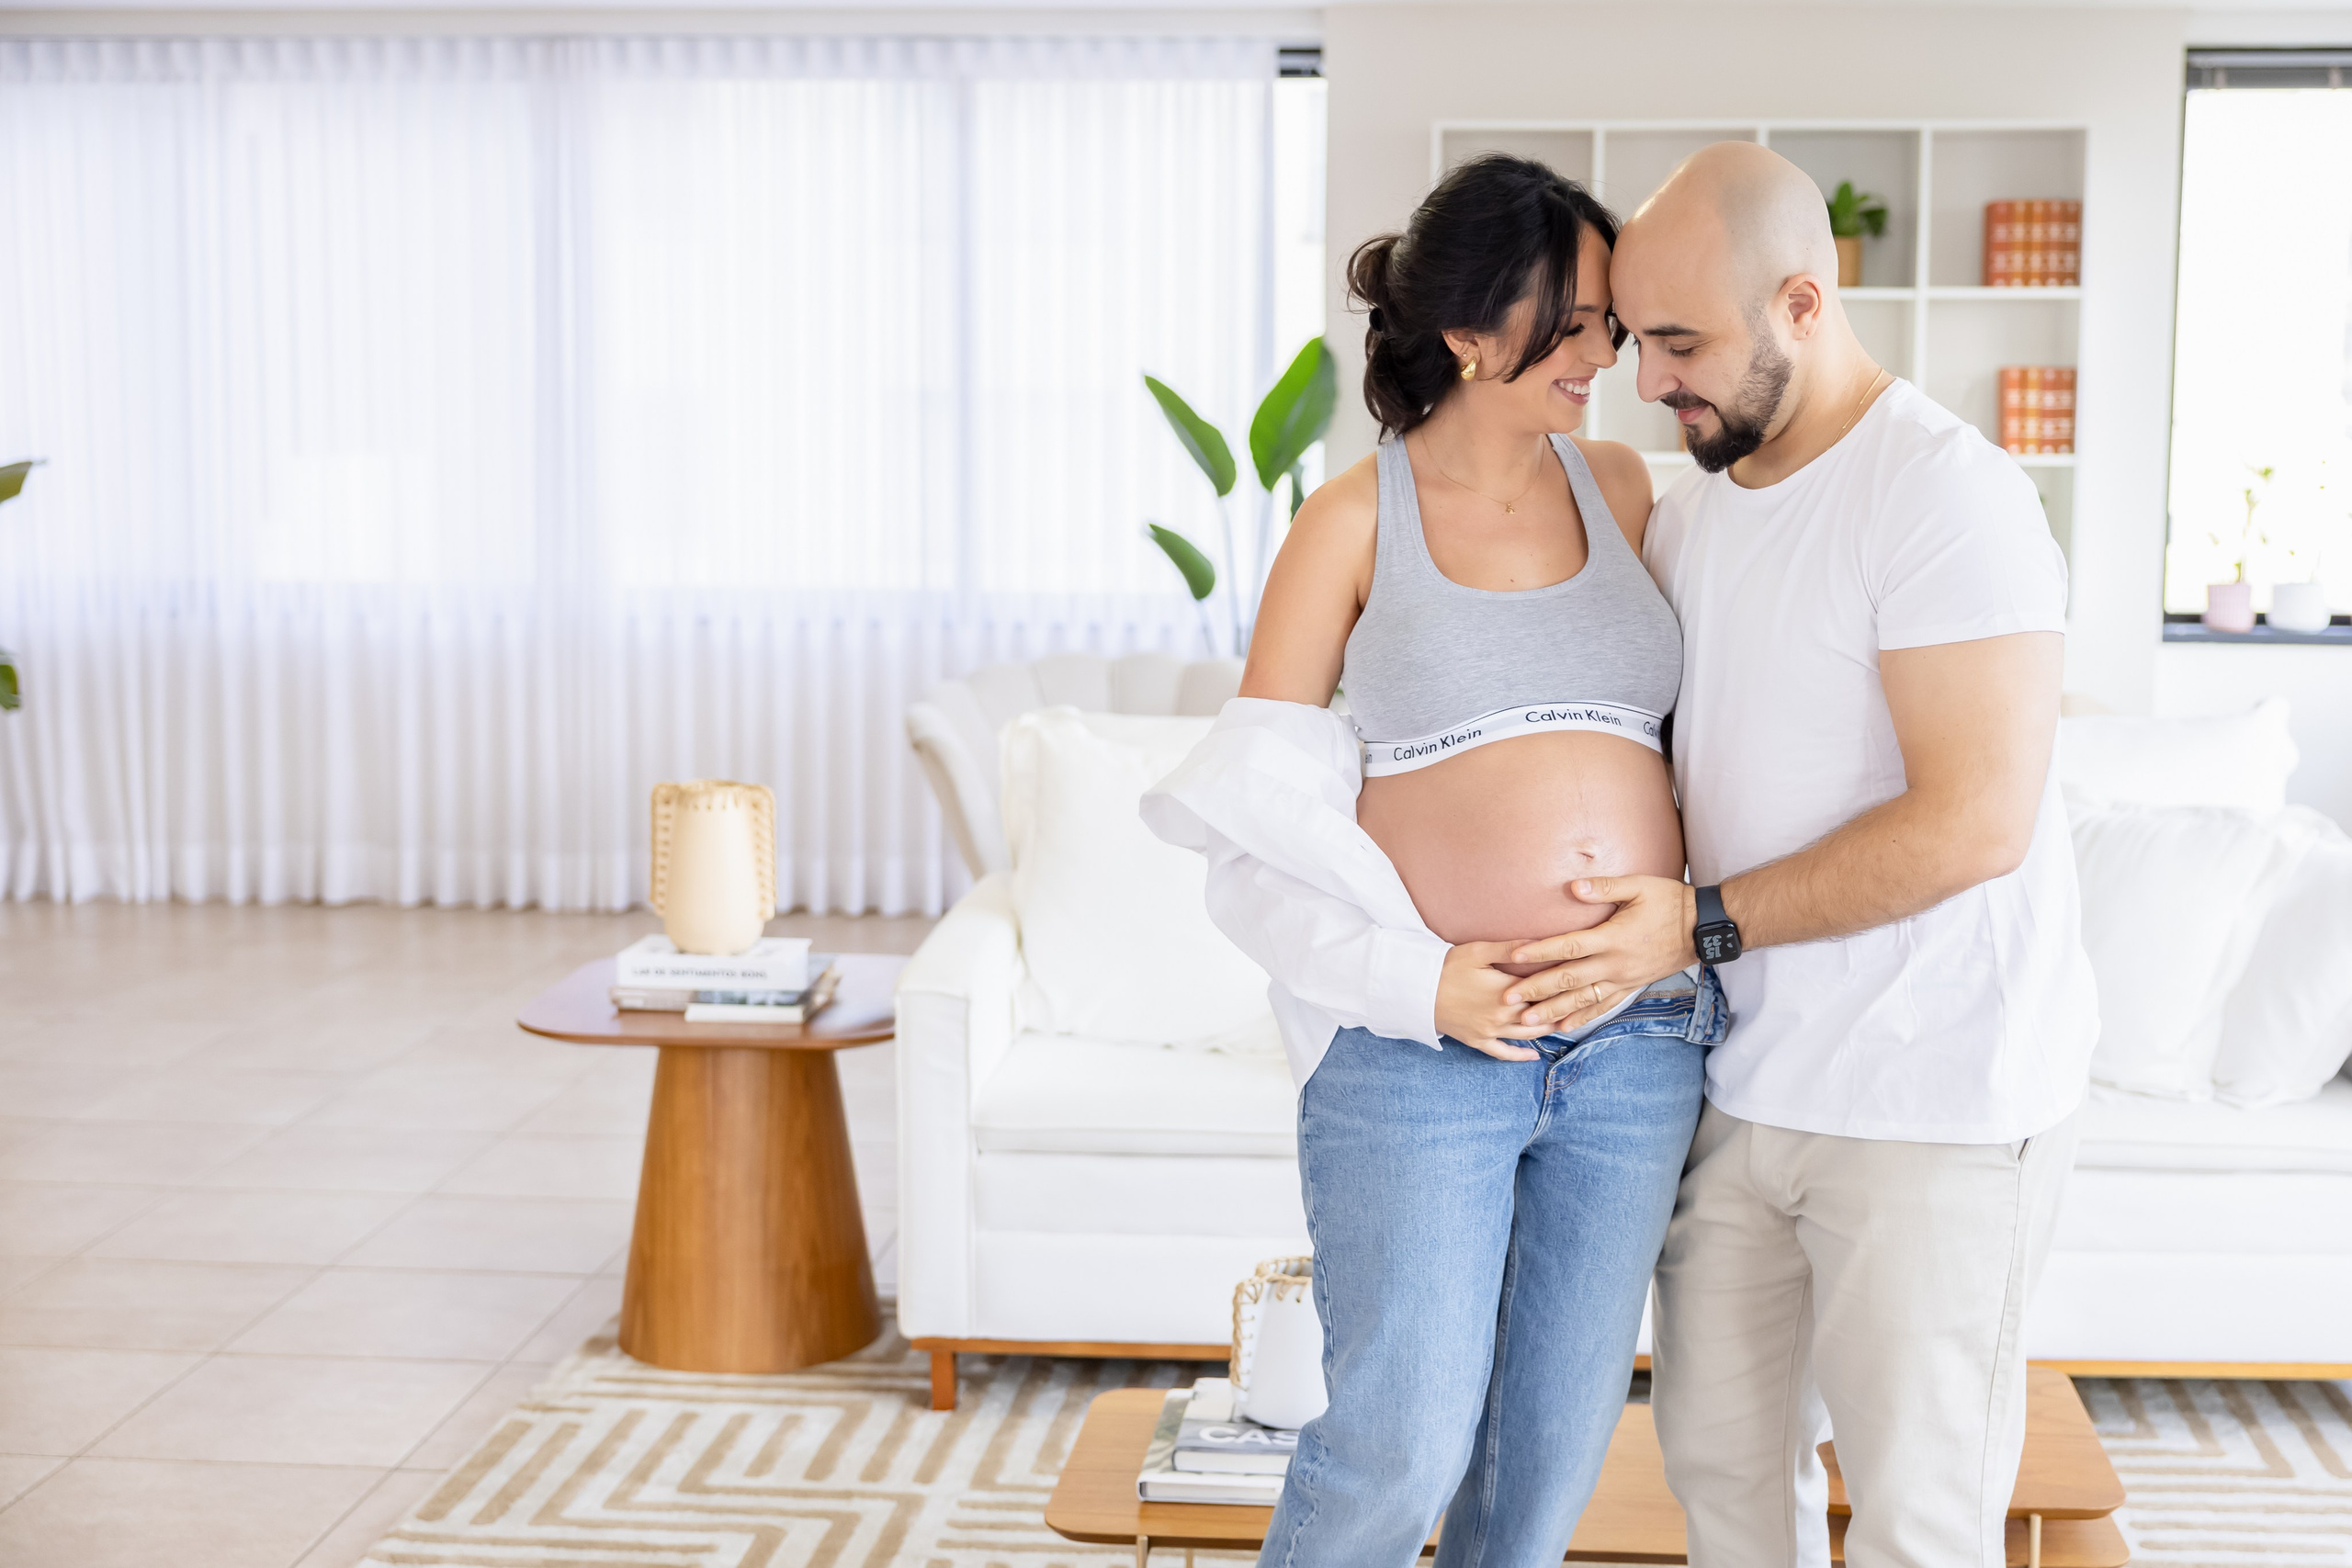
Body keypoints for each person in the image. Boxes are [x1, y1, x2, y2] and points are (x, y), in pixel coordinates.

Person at [1498, 141, 2098, 1568]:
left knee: (1916, 1517)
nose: (1654, 381)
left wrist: (1694, 925)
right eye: (1639, 341)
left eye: (1686, 343)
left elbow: (1974, 821)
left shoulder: (1946, 494)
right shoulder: (1698, 508)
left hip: (1935, 1100)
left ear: (1807, 305)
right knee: (1721, 1483)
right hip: (1744, 1083)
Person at [1141, 152, 1724, 1568]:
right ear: (1469, 332)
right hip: (1421, 1057)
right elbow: (1249, 837)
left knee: (1542, 1475)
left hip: (1636, 1044)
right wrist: (1423, 986)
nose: (1609, 350)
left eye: (1611, 320)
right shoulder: (1349, 522)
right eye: (1577, 319)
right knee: (1395, 1452)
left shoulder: (1626, 488)